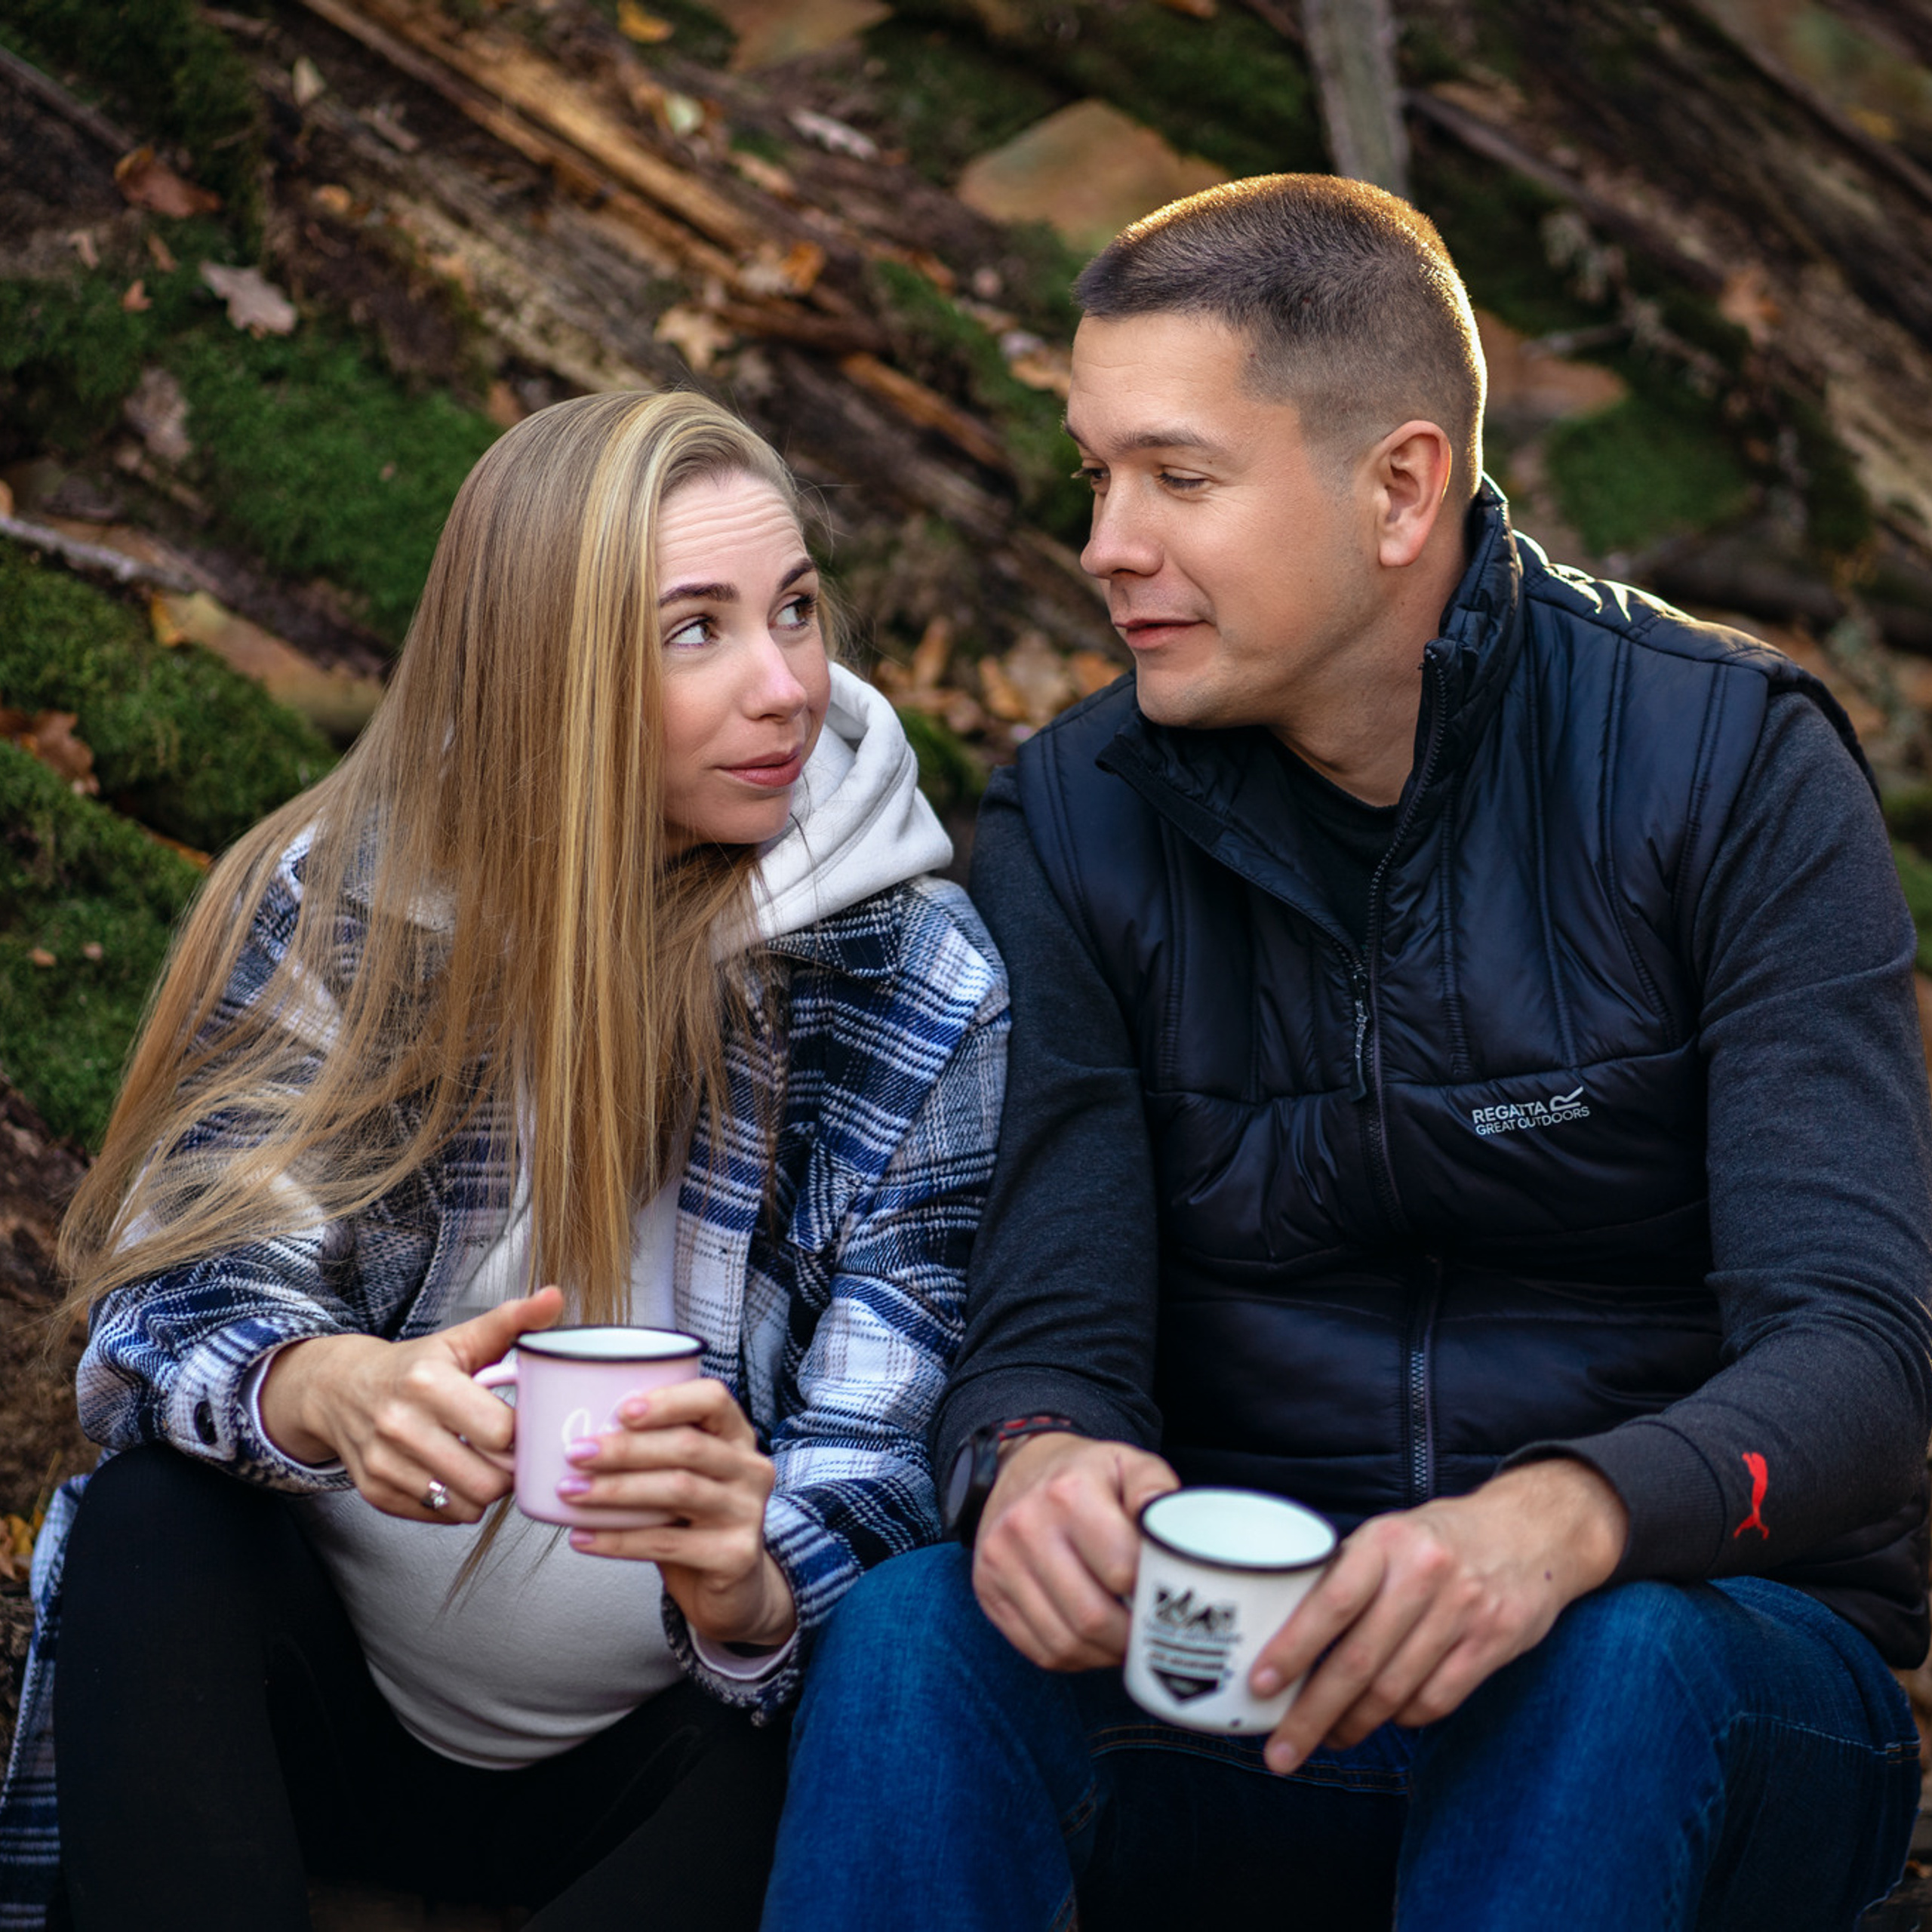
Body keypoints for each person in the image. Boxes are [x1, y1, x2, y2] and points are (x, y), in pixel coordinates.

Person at [760, 176, 1932, 1931]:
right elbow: (1050, 1325)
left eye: (1177, 477)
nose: (1104, 544)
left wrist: (1557, 1522)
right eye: (1094, 475)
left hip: (1697, 1674)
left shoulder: (1728, 767)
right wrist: (1035, 1456)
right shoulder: (1073, 819)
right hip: (1240, 1668)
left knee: (1607, 1662)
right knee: (922, 1627)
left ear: (1396, 487)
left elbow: (1856, 1354)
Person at [0, 392, 1008, 1931]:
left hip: (667, 1748)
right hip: (326, 1691)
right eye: (697, 630)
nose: (786, 684)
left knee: (832, 1705)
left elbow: (884, 1445)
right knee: (154, 1524)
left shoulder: (917, 975)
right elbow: (170, 1295)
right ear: (547, 666)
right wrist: (322, 1385)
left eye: (796, 609)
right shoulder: (350, 890)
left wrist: (752, 1584)